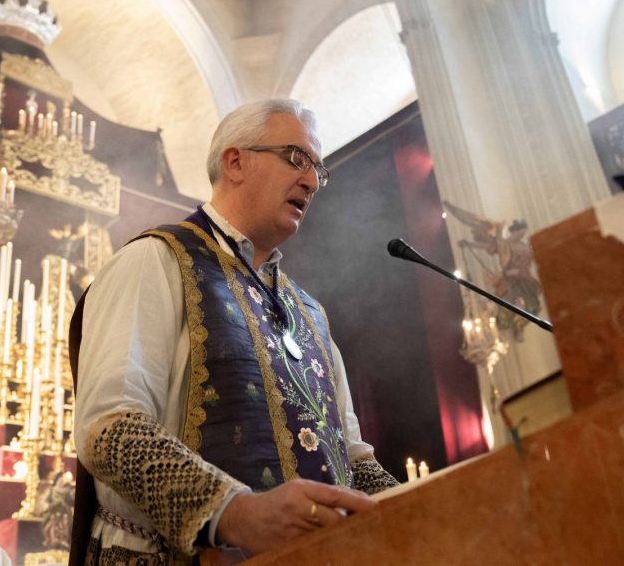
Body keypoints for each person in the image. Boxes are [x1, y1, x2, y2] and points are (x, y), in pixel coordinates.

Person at [71, 99, 399, 565]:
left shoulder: (310, 313)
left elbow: (353, 459)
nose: (311, 181)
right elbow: (109, 428)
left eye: (318, 170)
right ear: (235, 162)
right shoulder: (154, 260)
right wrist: (234, 512)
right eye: (297, 158)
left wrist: (416, 510)